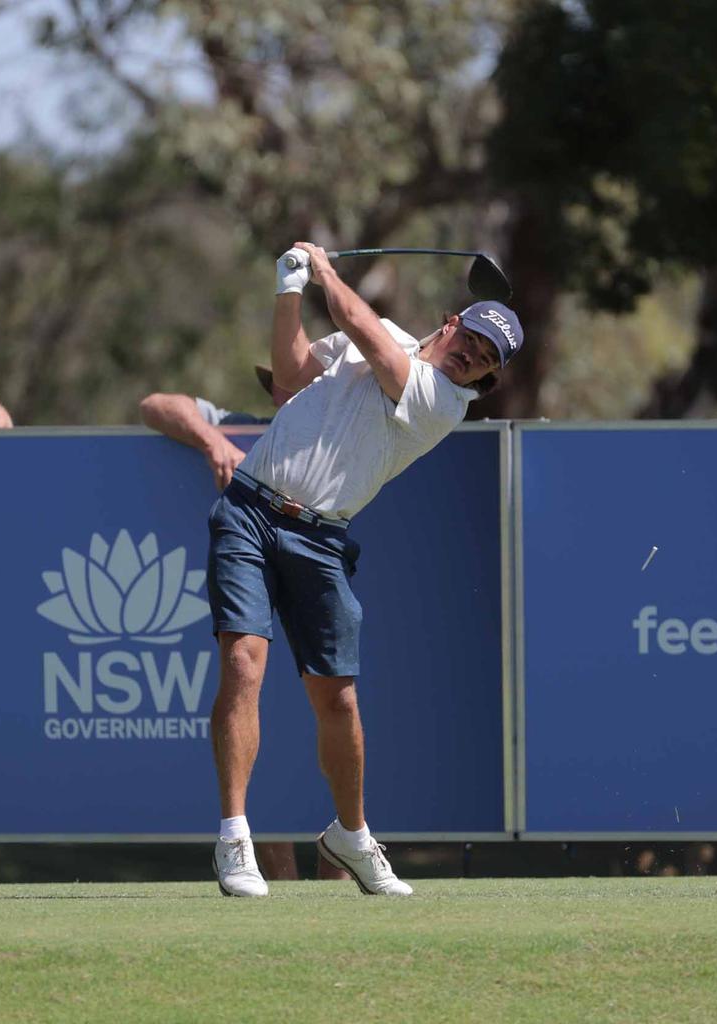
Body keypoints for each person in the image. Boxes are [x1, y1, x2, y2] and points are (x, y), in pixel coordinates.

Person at [208, 242, 524, 898]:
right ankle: (234, 837)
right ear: (451, 325)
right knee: (243, 663)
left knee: (338, 698)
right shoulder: (386, 337)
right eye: (472, 340)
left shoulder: (442, 402)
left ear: (483, 378)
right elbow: (293, 376)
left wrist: (324, 270)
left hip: (321, 540)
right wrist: (289, 291)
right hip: (248, 510)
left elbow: (367, 338)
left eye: (486, 360)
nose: (472, 358)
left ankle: (350, 835)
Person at [139, 387, 349, 883]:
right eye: (279, 377)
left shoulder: (353, 425)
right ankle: (252, 861)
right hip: (245, 565)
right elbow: (155, 405)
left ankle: (344, 867)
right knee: (246, 699)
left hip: (323, 572)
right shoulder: (244, 422)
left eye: (307, 374)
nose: (290, 385)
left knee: (338, 715)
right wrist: (214, 442)